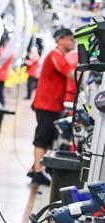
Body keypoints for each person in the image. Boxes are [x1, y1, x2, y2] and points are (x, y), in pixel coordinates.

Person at [29, 28, 78, 186]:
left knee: (47, 137)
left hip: (52, 105)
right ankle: (37, 172)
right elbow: (70, 73)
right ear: (60, 39)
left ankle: (36, 167)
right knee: (42, 138)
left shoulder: (60, 56)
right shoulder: (55, 55)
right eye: (70, 39)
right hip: (46, 104)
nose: (73, 42)